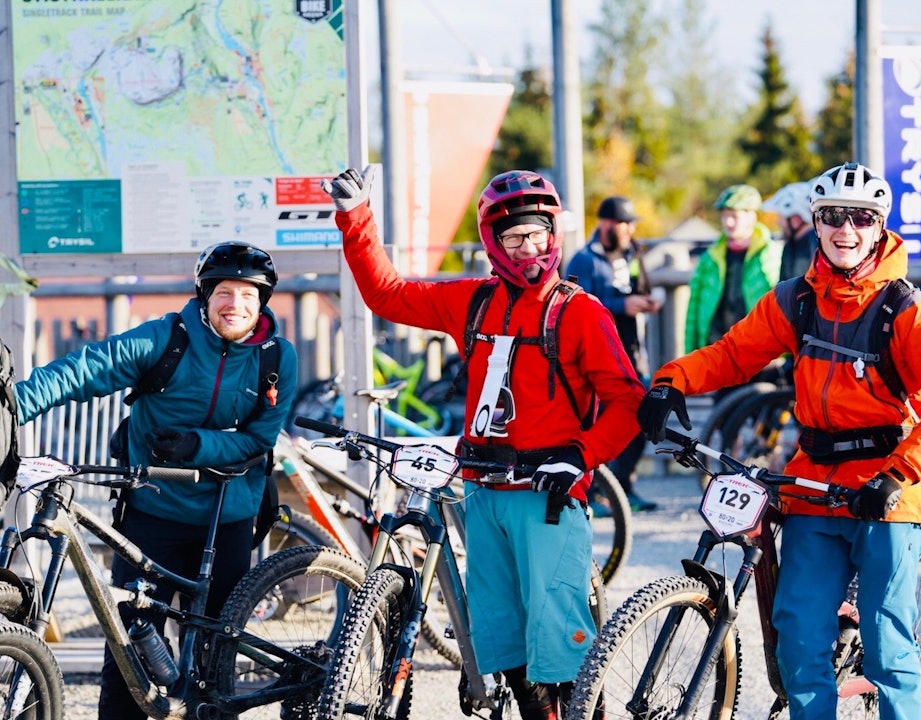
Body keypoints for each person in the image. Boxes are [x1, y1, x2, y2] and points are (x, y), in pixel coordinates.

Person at [637, 161, 921, 720]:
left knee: (888, 644)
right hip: (812, 483)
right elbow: (731, 354)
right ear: (815, 225)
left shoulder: (913, 313)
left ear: (880, 227)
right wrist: (670, 381)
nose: (846, 229)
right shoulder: (796, 301)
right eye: (833, 217)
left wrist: (897, 474)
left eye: (860, 218)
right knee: (796, 641)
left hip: (886, 489)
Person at [323, 166, 643, 719]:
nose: (527, 248)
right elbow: (388, 294)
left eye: (537, 234)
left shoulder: (581, 313)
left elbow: (628, 402)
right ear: (493, 242)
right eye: (513, 237)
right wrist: (356, 219)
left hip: (547, 498)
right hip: (482, 492)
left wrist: (582, 456)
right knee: (505, 642)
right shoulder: (473, 302)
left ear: (554, 233)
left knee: (560, 647)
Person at [14, 242, 298, 720]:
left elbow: (259, 441)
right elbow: (84, 370)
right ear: (205, 296)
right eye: (224, 292)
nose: (236, 304)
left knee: (215, 656)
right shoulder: (168, 339)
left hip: (227, 517)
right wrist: (11, 408)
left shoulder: (276, 359)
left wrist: (197, 446)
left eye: (249, 294)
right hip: (153, 512)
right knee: (129, 650)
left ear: (263, 301)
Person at [566, 195, 660, 512]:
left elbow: (633, 289)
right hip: (597, 355)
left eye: (631, 224)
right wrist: (623, 306)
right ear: (606, 224)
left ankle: (623, 485)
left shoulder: (631, 254)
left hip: (632, 350)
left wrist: (644, 301)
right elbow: (574, 305)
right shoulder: (583, 260)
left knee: (642, 416)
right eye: (623, 223)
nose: (628, 230)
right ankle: (594, 492)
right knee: (600, 422)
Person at [684, 183, 780, 353]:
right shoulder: (710, 258)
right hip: (715, 349)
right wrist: (690, 356)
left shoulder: (772, 255)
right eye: (724, 215)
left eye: (734, 216)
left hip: (757, 353)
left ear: (752, 217)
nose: (728, 222)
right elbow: (693, 310)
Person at [763, 180, 819, 281]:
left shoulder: (815, 246)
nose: (778, 222)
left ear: (796, 220)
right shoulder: (791, 245)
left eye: (781, 217)